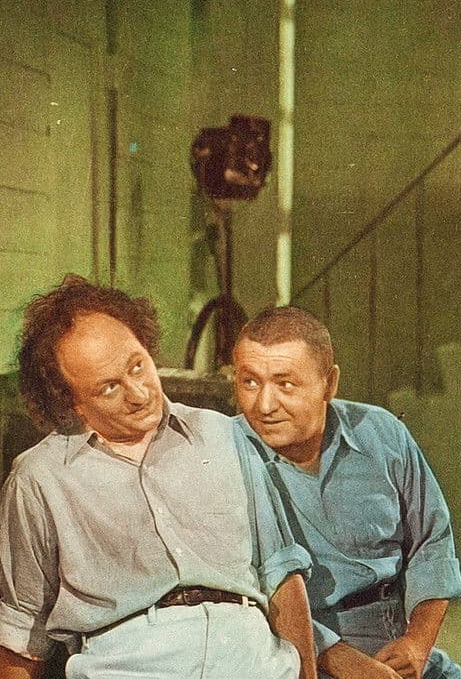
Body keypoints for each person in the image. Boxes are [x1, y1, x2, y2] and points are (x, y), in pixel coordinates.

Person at [0, 275, 317, 679]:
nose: (139, 393)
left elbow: (283, 576)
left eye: (138, 366)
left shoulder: (225, 435)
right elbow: (20, 637)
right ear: (72, 402)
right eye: (109, 388)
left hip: (252, 662)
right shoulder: (39, 478)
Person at [232, 306, 461, 679]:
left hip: (398, 647)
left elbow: (432, 543)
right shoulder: (226, 455)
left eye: (285, 384)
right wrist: (346, 663)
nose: (264, 405)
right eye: (249, 382)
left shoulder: (381, 432)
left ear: (329, 384)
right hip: (293, 655)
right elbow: (242, 594)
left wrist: (417, 643)